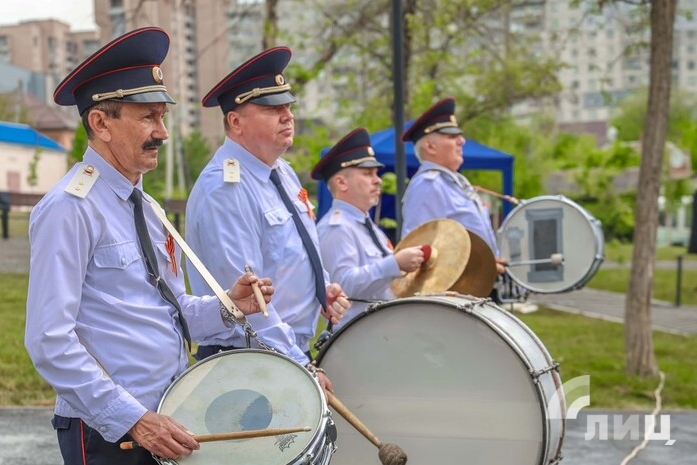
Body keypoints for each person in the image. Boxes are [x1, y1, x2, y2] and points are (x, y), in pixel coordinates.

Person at [25, 27, 274, 465]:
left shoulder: (146, 205)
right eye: (147, 118)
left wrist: (227, 307)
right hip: (111, 433)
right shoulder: (70, 208)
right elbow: (49, 340)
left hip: (166, 417)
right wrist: (132, 419)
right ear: (100, 123)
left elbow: (171, 311)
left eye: (162, 117)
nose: (162, 132)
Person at [184, 46, 350, 390]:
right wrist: (299, 365)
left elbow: (293, 250)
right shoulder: (225, 189)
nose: (287, 116)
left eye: (288, 106)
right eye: (272, 109)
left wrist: (321, 289)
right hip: (250, 360)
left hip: (283, 354)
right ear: (235, 122)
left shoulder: (281, 171)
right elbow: (250, 304)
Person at [313, 128, 427, 331]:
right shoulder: (336, 228)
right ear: (341, 183)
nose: (378, 179)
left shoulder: (368, 227)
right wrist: (395, 263)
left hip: (381, 331)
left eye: (376, 173)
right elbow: (342, 286)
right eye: (367, 173)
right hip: (356, 336)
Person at [400, 97, 507, 276]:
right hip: (453, 287)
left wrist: (489, 261)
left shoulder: (453, 182)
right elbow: (419, 252)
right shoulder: (429, 185)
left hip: (474, 283)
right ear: (430, 146)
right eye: (451, 136)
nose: (461, 141)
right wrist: (481, 266)